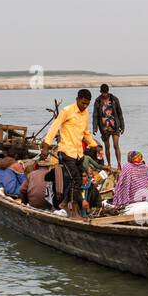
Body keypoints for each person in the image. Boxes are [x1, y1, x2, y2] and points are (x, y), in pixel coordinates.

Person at [43, 89, 101, 218]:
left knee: (84, 178)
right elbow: (54, 127)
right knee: (76, 180)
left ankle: (65, 203)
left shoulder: (85, 113)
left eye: (87, 104)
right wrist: (46, 146)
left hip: (78, 153)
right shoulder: (66, 111)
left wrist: (94, 145)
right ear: (77, 99)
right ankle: (73, 207)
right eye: (83, 103)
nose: (84, 106)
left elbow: (85, 132)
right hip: (66, 151)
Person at [91, 84, 125, 168]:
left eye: (105, 93)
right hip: (104, 128)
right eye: (103, 93)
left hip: (115, 126)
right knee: (107, 146)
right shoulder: (98, 101)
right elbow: (95, 115)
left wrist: (122, 126)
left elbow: (120, 113)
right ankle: (109, 164)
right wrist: (95, 127)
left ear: (108, 92)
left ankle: (119, 164)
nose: (104, 94)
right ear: (101, 92)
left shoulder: (114, 99)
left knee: (116, 145)